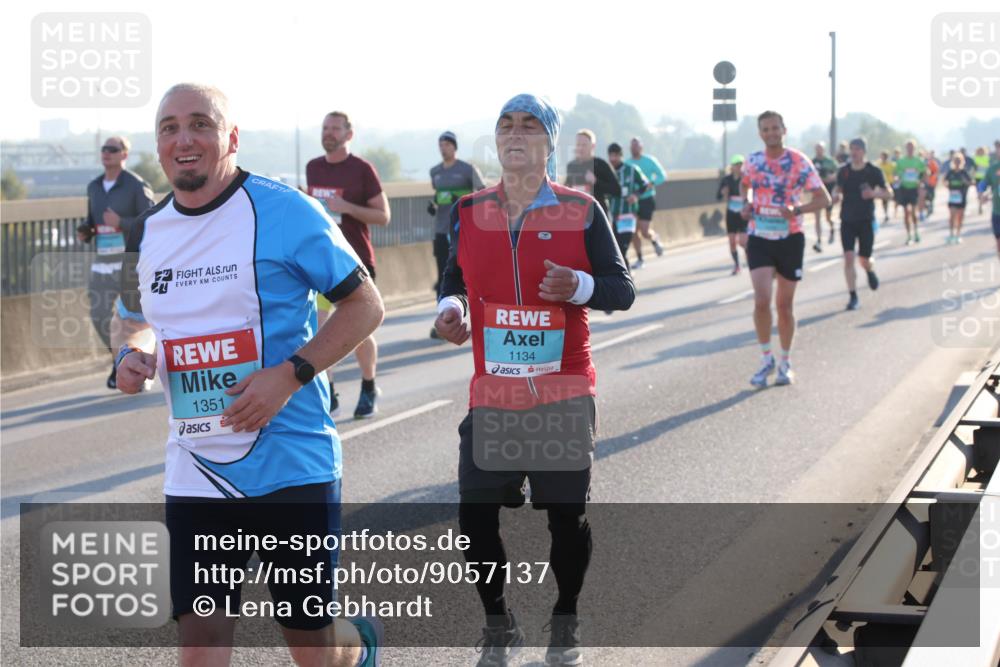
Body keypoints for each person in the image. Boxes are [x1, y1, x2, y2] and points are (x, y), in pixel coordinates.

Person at [111, 83, 384, 667]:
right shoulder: (148, 230)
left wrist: (289, 375)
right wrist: (129, 355)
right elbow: (133, 319)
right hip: (197, 470)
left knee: (312, 651)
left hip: (291, 463)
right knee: (200, 648)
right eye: (169, 128)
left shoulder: (285, 211)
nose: (184, 139)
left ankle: (358, 646)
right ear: (158, 146)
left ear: (231, 137)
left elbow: (365, 305)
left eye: (200, 124)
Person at [434, 94, 634, 667]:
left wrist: (580, 285)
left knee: (566, 518)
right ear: (496, 140)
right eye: (506, 125)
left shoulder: (582, 210)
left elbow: (622, 289)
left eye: (529, 126)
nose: (515, 133)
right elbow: (454, 278)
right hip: (493, 391)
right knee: (474, 515)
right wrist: (452, 309)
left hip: (563, 388)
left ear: (549, 142)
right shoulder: (469, 210)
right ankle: (499, 624)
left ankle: (565, 618)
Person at [306, 111, 391, 418]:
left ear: (348, 134)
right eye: (325, 128)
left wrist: (347, 208)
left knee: (358, 330)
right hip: (320, 263)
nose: (328, 133)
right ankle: (329, 393)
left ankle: (369, 386)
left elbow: (383, 216)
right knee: (318, 330)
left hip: (356, 262)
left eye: (335, 128)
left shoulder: (362, 169)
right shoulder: (313, 167)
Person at [739, 111, 830, 387]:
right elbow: (745, 185)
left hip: (790, 238)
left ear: (784, 130)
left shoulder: (799, 161)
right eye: (766, 129)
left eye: (775, 128)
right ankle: (766, 357)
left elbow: (823, 199)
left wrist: (797, 210)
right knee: (761, 300)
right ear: (760, 133)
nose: (771, 133)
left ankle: (785, 361)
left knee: (784, 305)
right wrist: (746, 203)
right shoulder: (753, 161)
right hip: (759, 236)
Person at [76, 135, 155, 390]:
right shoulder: (94, 186)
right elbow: (92, 219)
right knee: (98, 314)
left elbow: (151, 222)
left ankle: (134, 363)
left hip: (129, 262)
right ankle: (121, 359)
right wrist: (86, 230)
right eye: (104, 148)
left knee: (133, 320)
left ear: (124, 155)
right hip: (103, 261)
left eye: (112, 149)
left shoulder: (136, 185)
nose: (106, 152)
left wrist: (121, 223)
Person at [428, 131, 486, 338]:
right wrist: (433, 204)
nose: (443, 148)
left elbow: (483, 193)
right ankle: (444, 321)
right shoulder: (435, 172)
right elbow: (438, 196)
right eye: (440, 145)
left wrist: (461, 199)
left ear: (454, 147)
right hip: (441, 228)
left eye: (447, 144)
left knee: (468, 274)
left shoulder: (467, 169)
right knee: (443, 276)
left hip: (463, 230)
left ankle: (480, 317)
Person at [831, 138, 890, 310]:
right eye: (852, 149)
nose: (854, 152)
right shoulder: (844, 171)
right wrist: (835, 195)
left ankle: (869, 270)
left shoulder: (873, 171)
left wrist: (874, 194)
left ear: (864, 151)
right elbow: (837, 188)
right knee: (849, 257)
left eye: (857, 149)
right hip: (847, 220)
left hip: (866, 220)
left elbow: (889, 193)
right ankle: (853, 296)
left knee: (864, 259)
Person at [625, 137, 667, 269]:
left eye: (636, 146)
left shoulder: (649, 160)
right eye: (632, 146)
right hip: (633, 200)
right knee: (633, 231)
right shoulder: (627, 163)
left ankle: (654, 239)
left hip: (647, 199)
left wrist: (652, 183)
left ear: (641, 147)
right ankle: (640, 258)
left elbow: (662, 175)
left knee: (644, 231)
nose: (634, 148)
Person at [565, 129, 621, 215]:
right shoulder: (571, 166)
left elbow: (616, 190)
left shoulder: (601, 164)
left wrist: (596, 181)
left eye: (584, 145)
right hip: (577, 213)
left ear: (593, 146)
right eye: (578, 144)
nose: (580, 148)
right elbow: (568, 188)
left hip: (597, 215)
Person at [716, 154, 748, 274]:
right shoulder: (726, 180)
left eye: (741, 164)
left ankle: (749, 257)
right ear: (732, 166)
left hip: (744, 213)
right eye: (737, 164)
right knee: (732, 241)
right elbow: (718, 196)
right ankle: (737, 265)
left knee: (743, 242)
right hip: (731, 213)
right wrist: (723, 193)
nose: (739, 167)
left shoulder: (747, 178)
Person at [895, 140, 926, 245]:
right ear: (906, 148)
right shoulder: (901, 161)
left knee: (913, 212)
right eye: (908, 147)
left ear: (914, 148)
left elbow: (925, 173)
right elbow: (896, 174)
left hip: (914, 188)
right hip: (904, 188)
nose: (910, 149)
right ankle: (908, 235)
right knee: (905, 212)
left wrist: (921, 183)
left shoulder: (919, 161)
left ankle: (916, 232)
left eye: (911, 147)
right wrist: (897, 178)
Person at [811, 142, 838, 252]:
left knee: (828, 217)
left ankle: (832, 228)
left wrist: (831, 177)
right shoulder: (812, 162)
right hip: (816, 193)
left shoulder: (830, 161)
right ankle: (818, 241)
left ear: (824, 149)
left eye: (820, 148)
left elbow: (838, 173)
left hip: (828, 192)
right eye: (817, 148)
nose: (819, 150)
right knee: (817, 217)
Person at [944, 153, 974, 244]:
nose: (957, 162)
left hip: (962, 197)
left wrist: (965, 182)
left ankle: (958, 235)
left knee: (960, 217)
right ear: (953, 162)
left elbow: (971, 182)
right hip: (953, 197)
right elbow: (944, 181)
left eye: (959, 160)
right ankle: (951, 234)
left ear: (962, 162)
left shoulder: (964, 172)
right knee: (952, 216)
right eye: (956, 160)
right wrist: (946, 184)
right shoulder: (951, 172)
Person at [979, 143, 1000, 260]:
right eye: (998, 149)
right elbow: (983, 183)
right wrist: (982, 193)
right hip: (997, 211)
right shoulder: (993, 169)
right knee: (998, 241)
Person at [877, 150, 895, 223]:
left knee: (888, 199)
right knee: (884, 200)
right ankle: (886, 213)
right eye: (882, 156)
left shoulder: (891, 165)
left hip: (890, 183)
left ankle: (888, 212)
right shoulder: (879, 165)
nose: (883, 158)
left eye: (884, 156)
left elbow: (894, 173)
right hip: (882, 184)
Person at [973, 146, 990, 215]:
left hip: (985, 178)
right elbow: (973, 169)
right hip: (977, 178)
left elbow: (989, 167)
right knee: (979, 192)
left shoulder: (987, 158)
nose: (980, 152)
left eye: (982, 151)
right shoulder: (975, 158)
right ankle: (980, 205)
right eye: (979, 151)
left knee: (983, 192)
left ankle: (982, 203)